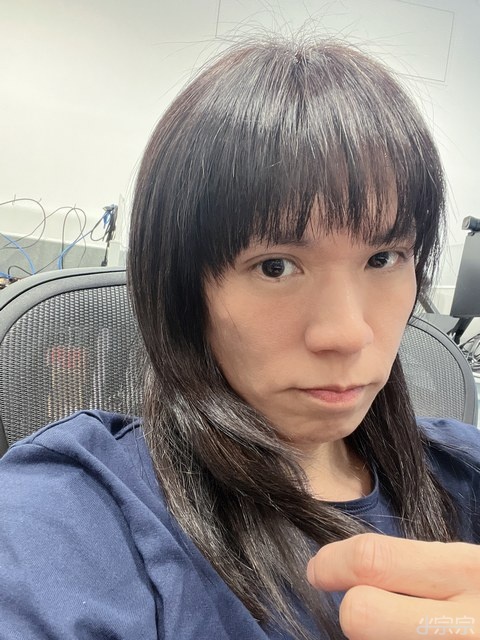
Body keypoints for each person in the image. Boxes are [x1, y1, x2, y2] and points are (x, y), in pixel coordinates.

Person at [0, 37, 479, 640]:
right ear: (183, 289)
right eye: (275, 266)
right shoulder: (78, 509)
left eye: (383, 257)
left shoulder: (464, 469)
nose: (347, 333)